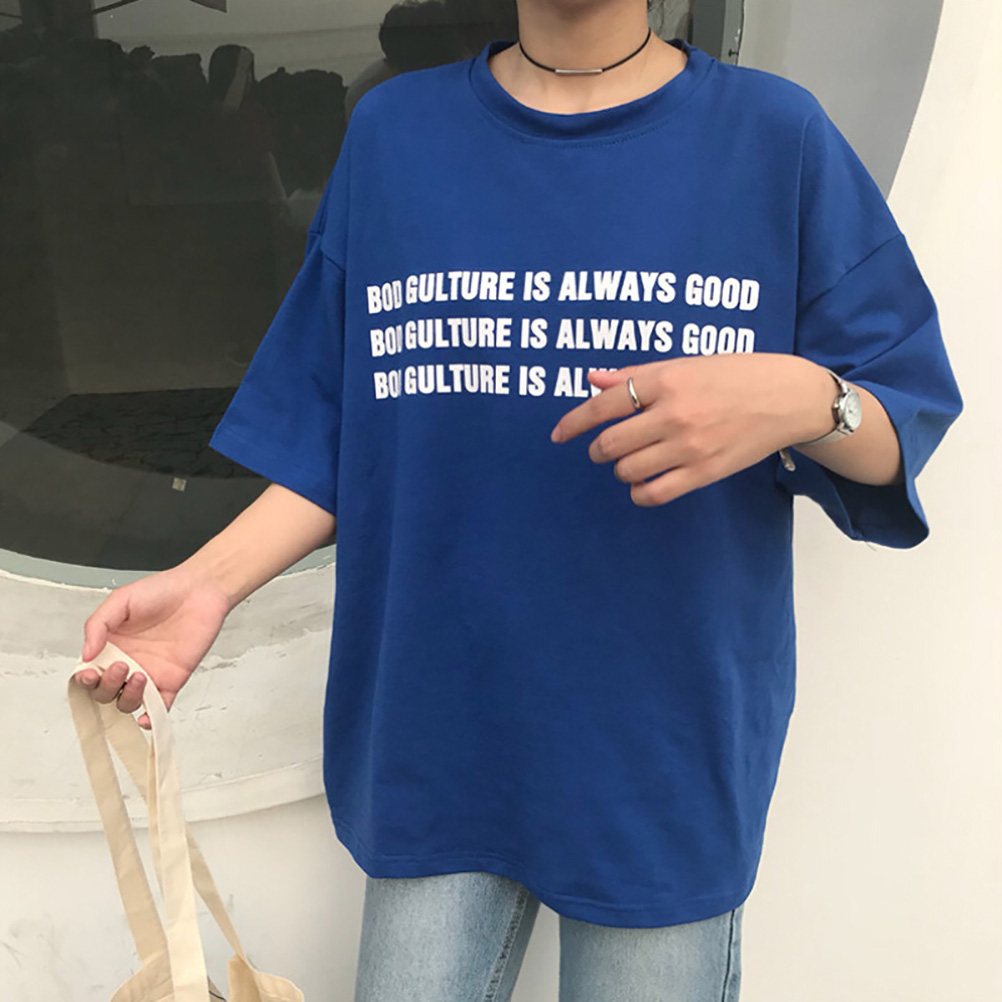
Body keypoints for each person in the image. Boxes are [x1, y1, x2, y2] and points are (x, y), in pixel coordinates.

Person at [73, 1, 964, 999]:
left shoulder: (774, 139)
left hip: (662, 753)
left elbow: (902, 420)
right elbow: (341, 426)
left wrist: (802, 397)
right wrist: (207, 585)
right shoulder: (397, 139)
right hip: (437, 731)